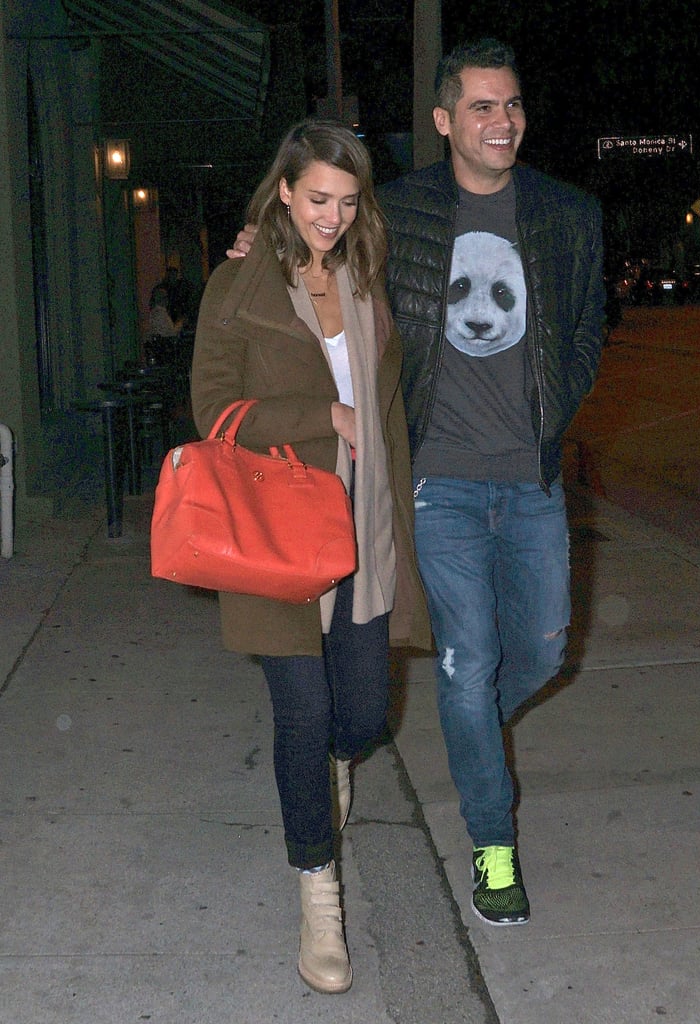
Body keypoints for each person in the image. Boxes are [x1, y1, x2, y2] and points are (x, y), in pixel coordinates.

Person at [229, 39, 605, 929]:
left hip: (533, 479)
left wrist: (562, 399)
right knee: (469, 660)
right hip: (435, 481)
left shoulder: (565, 214)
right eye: (480, 106)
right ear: (443, 121)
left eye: (510, 104)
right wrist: (256, 245)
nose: (500, 121)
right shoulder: (394, 214)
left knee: (543, 651)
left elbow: (588, 325)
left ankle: (465, 716)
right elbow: (309, 250)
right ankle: (493, 844)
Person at [191, 120, 430, 994]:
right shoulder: (238, 282)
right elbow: (211, 406)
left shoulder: (367, 278)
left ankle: (330, 781)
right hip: (281, 541)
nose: (331, 216)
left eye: (347, 200)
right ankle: (316, 894)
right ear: (283, 192)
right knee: (301, 717)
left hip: (363, 533)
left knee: (360, 720)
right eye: (316, 197)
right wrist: (318, 418)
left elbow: (392, 406)